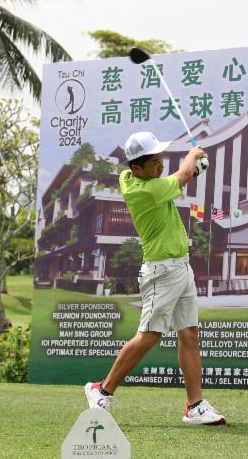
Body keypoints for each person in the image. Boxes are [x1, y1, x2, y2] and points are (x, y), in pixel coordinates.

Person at [84, 131, 226, 425]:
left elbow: (184, 175)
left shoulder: (134, 178)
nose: (160, 166)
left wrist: (195, 166)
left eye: (162, 160)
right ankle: (102, 390)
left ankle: (195, 405)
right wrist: (194, 155)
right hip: (162, 271)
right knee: (150, 334)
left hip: (181, 267)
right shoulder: (145, 190)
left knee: (189, 333)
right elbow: (184, 174)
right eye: (155, 163)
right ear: (137, 168)